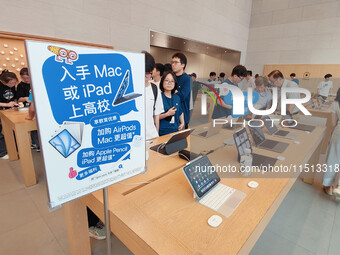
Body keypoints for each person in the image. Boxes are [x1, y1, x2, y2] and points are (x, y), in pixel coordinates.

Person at [322, 88, 340, 197]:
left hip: (338, 132)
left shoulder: (335, 103)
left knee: (332, 160)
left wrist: (333, 135)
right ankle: (339, 187)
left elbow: (333, 123)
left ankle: (329, 187)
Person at [144, 51, 164, 140]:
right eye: (144, 72)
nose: (146, 75)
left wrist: (157, 135)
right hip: (136, 138)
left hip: (151, 136)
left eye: (148, 73)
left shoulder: (154, 89)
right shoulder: (131, 89)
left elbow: (156, 115)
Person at [159, 71, 184, 136]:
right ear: (162, 82)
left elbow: (180, 111)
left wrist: (182, 123)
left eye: (172, 81)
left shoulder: (177, 97)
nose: (169, 83)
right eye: (167, 80)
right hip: (162, 132)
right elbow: (154, 117)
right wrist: (167, 114)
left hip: (175, 131)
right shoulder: (158, 97)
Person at [0, 70, 19, 159]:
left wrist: (14, 104)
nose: (13, 85)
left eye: (14, 83)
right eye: (11, 83)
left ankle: (14, 149)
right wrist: (7, 104)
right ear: (4, 82)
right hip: (2, 109)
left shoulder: (12, 86)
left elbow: (14, 97)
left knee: (13, 129)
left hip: (9, 110)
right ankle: (3, 153)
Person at [171, 53, 191, 128]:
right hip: (170, 114)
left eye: (176, 62)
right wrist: (176, 92)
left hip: (182, 116)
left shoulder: (187, 79)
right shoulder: (171, 77)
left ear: (183, 65)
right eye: (172, 62)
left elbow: (182, 96)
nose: (173, 64)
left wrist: (172, 90)